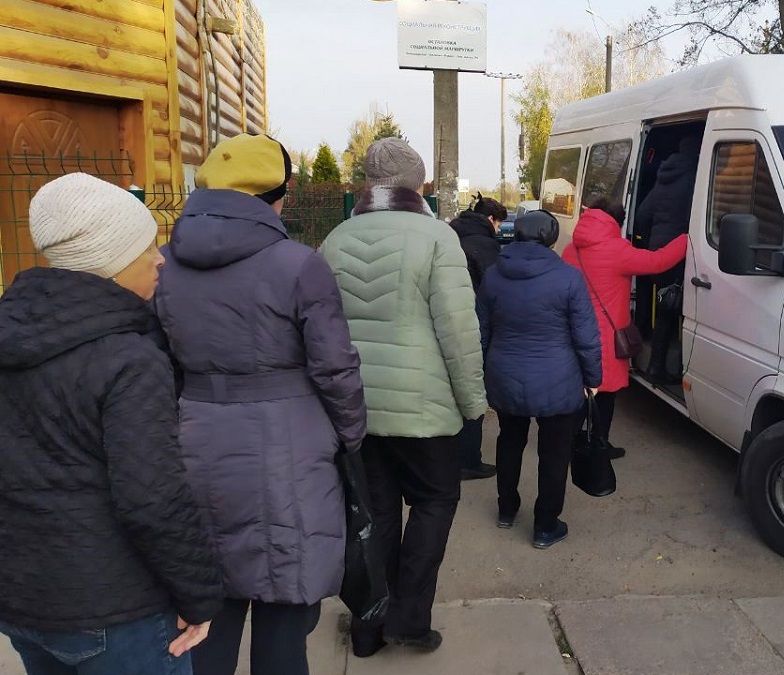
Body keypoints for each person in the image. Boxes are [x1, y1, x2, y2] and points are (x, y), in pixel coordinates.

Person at [154, 134, 368, 675]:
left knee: (208, 606)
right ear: (278, 195)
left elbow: (158, 360)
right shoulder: (299, 265)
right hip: (288, 450)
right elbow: (334, 367)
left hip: (194, 438)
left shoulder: (162, 266)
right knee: (284, 611)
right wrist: (351, 435)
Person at [0, 173, 223, 674]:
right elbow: (152, 500)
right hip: (115, 611)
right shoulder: (128, 357)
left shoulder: (10, 331)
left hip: (23, 600)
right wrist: (198, 597)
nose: (160, 258)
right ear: (112, 262)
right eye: (146, 247)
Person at [321, 138, 487, 658]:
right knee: (436, 502)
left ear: (366, 185)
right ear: (418, 185)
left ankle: (368, 628)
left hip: (357, 408)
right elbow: (459, 330)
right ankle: (410, 620)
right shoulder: (438, 238)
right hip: (425, 408)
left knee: (378, 516)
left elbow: (321, 331)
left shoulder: (336, 240)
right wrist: (473, 403)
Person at [476, 210, 601, 549]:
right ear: (551, 237)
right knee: (554, 453)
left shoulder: (493, 276)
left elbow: (481, 333)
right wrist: (593, 378)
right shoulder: (569, 278)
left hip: (505, 375)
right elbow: (586, 337)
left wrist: (481, 373)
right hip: (557, 380)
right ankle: (545, 525)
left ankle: (506, 508)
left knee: (509, 440)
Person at [563, 196, 688, 458]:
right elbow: (658, 262)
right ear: (616, 222)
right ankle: (598, 443)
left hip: (574, 331)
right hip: (605, 337)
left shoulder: (571, 248)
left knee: (579, 388)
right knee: (604, 394)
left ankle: (569, 440)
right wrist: (688, 238)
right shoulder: (616, 250)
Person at [450, 194, 507, 481]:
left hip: (448, 321)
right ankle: (468, 460)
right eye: (499, 224)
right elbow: (493, 286)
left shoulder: (451, 232)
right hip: (472, 324)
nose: (499, 230)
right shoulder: (484, 244)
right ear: (490, 220)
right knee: (474, 390)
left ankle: (453, 453)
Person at [634, 136, 701, 383]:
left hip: (657, 250)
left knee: (665, 307)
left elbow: (641, 214)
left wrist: (651, 238)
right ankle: (660, 367)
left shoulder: (664, 177)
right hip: (680, 251)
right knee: (673, 309)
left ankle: (655, 361)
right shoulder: (695, 177)